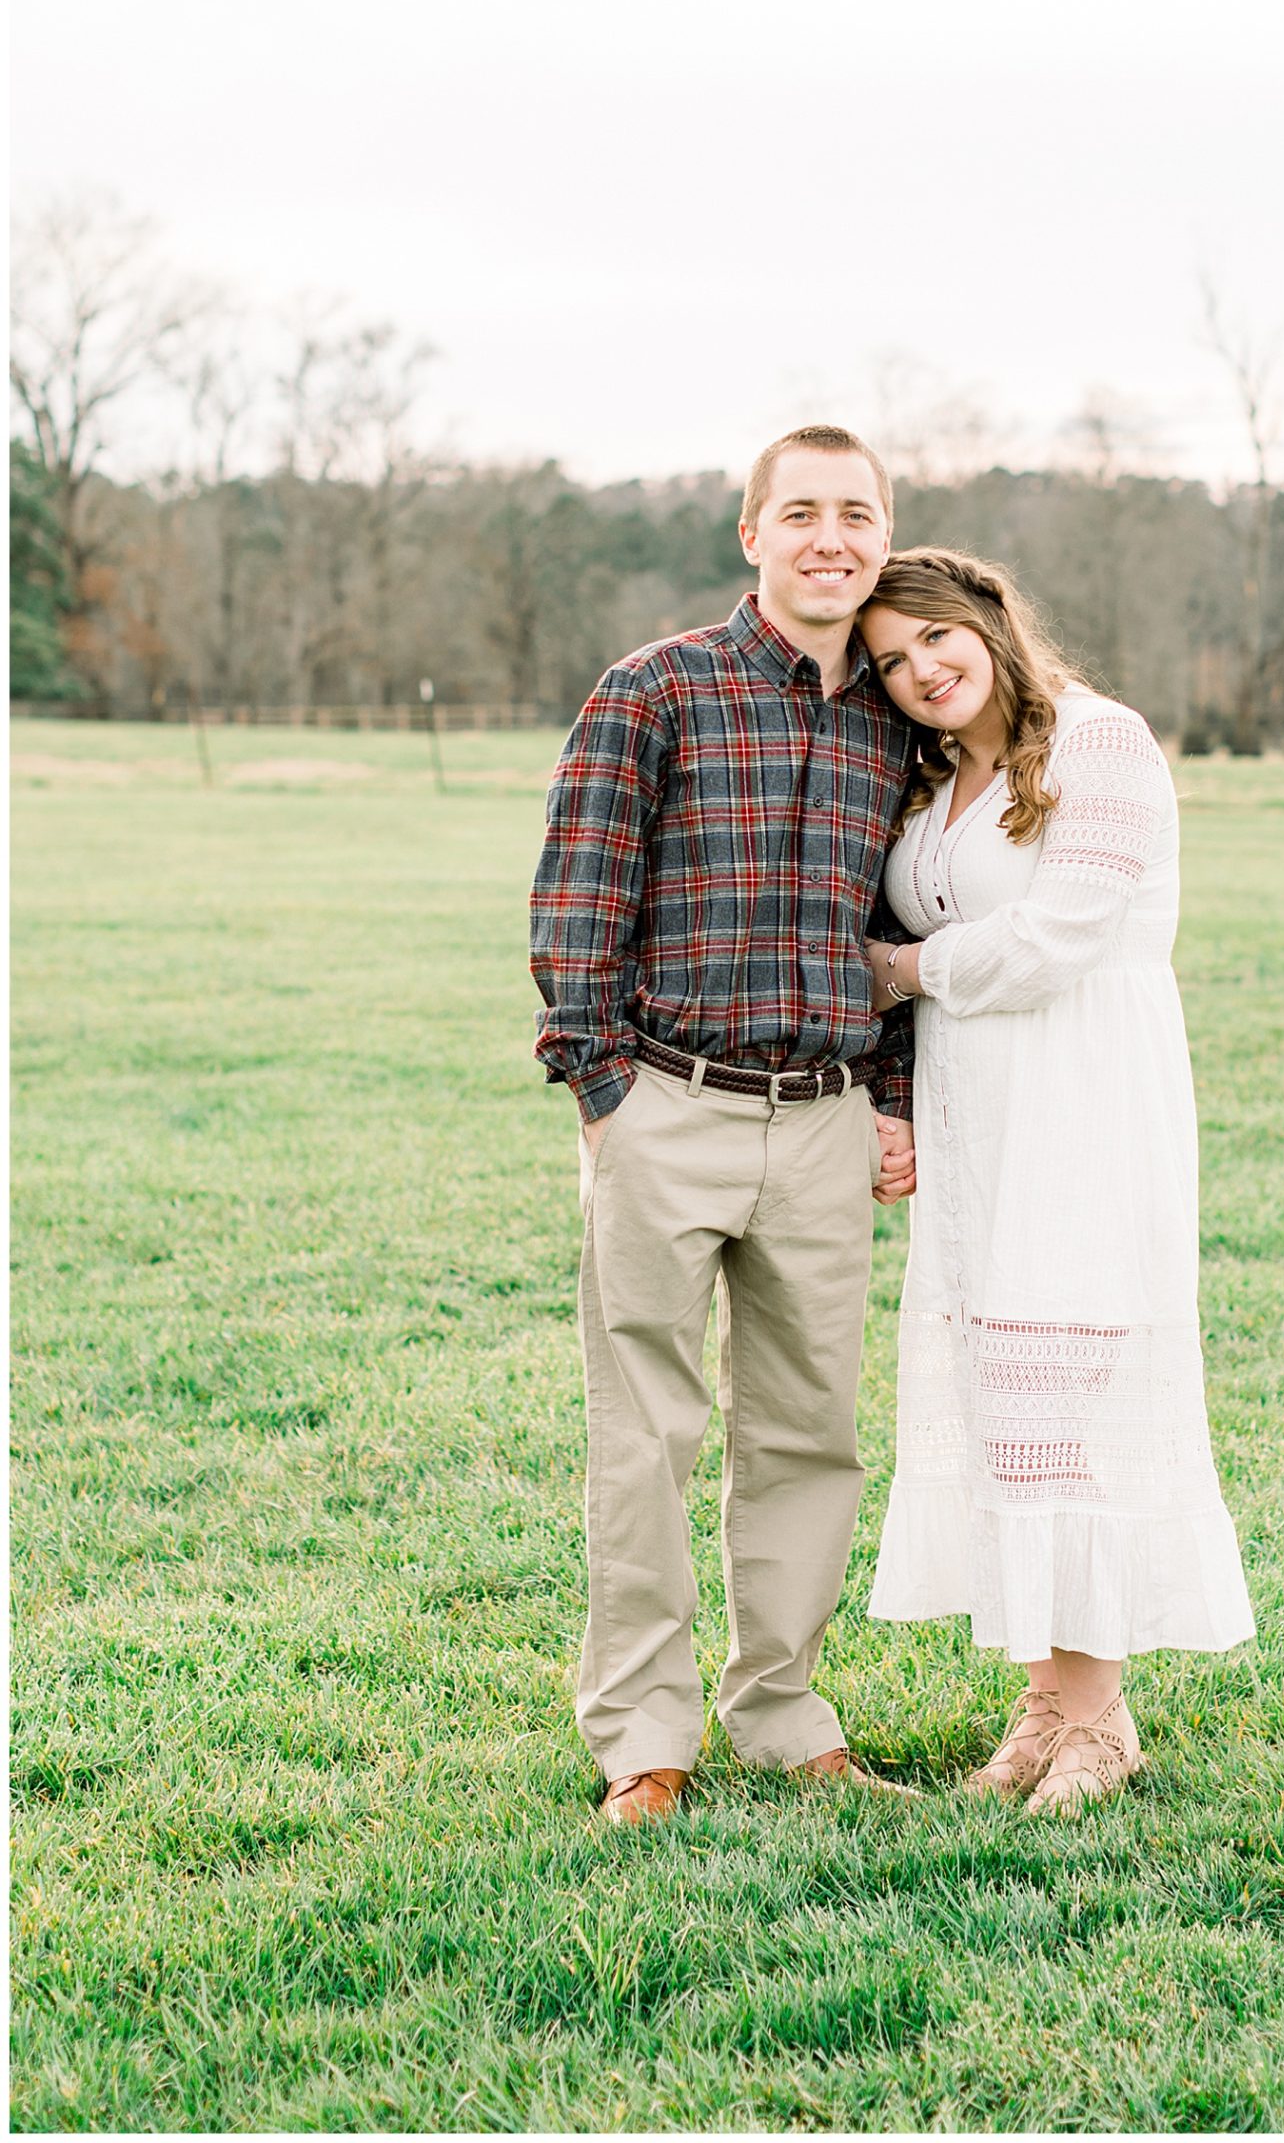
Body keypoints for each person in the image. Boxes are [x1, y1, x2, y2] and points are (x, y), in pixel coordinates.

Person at [529, 426, 919, 1825]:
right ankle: (644, 1736)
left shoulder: (899, 718)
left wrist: (893, 1103)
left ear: (884, 539)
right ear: (751, 533)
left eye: (856, 515)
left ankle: (783, 1710)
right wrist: (599, 1093)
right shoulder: (658, 690)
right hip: (667, 1105)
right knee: (645, 1434)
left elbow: (904, 925)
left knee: (811, 1435)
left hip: (820, 1119)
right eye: (800, 512)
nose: (831, 537)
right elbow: (580, 890)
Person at [857, 546, 1254, 1812]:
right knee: (1001, 1405)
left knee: (1068, 1401)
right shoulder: (934, 786)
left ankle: (1099, 1719)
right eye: (889, 660)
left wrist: (906, 971)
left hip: (1085, 1101)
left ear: (985, 620)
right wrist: (901, 1098)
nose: (920, 670)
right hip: (980, 1116)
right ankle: (1048, 1702)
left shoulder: (1102, 743)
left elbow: (1066, 933)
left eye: (932, 637)